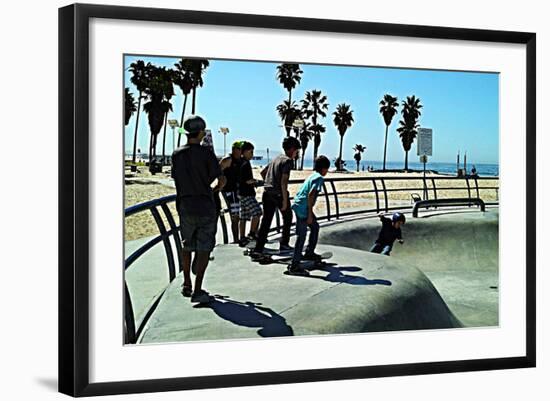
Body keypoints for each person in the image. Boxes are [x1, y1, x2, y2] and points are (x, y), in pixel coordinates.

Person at [171, 115, 225, 304]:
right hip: (205, 206)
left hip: (185, 205)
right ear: (201, 133)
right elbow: (221, 180)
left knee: (186, 245)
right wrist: (213, 190)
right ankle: (198, 288)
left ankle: (186, 282)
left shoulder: (176, 154)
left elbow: (176, 178)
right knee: (204, 248)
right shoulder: (206, 154)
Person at [251, 137, 301, 259]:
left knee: (266, 221)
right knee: (288, 218)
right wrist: (284, 200)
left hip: (267, 193)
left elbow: (263, 172)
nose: (297, 154)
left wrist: (269, 182)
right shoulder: (288, 161)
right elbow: (284, 182)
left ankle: (259, 248)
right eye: (297, 151)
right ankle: (284, 244)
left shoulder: (276, 158)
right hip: (278, 194)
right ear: (293, 149)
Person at [287, 156, 331, 275]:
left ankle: (309, 252)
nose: (327, 172)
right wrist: (310, 214)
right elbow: (311, 195)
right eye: (327, 169)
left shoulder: (312, 175)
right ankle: (295, 265)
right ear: (324, 169)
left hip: (298, 205)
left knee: (315, 227)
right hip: (303, 209)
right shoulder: (319, 178)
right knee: (301, 236)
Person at [238, 141, 263, 247]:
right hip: (247, 193)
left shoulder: (239, 162)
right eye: (251, 152)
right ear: (245, 152)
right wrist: (257, 182)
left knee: (243, 217)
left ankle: (242, 238)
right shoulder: (246, 164)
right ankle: (252, 234)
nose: (252, 154)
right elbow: (248, 180)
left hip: (241, 193)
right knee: (257, 212)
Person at [219, 141, 244, 243]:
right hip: (229, 191)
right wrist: (221, 181)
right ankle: (236, 239)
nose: (240, 152)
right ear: (234, 149)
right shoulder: (228, 159)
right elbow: (218, 170)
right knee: (234, 216)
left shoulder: (240, 161)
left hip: (236, 191)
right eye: (239, 149)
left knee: (237, 215)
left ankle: (237, 238)